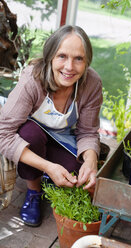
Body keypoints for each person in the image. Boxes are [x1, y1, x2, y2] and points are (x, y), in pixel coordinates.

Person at [0, 25, 103, 226]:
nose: (69, 67)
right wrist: (48, 166)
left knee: (77, 172)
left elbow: (88, 131)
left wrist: (91, 161)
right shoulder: (33, 79)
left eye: (78, 59)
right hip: (30, 137)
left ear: (87, 61)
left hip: (62, 137)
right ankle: (34, 191)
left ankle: (50, 176)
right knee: (31, 134)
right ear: (50, 57)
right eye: (62, 56)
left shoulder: (91, 83)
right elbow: (3, 134)